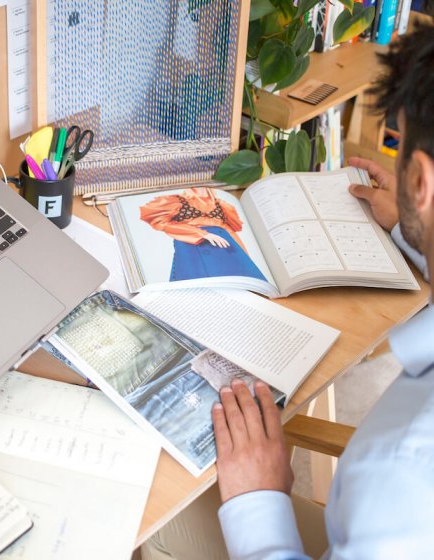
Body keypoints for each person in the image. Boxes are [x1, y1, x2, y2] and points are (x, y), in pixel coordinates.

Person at [141, 21, 434, 559]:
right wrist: (413, 227)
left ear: (421, 179)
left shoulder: (407, 476)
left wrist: (259, 502)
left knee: (160, 518)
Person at [140, 187, 267, 282]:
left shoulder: (221, 204)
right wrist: (201, 234)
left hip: (226, 249)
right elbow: (162, 223)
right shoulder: (176, 201)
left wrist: (244, 257)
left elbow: (230, 231)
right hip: (194, 247)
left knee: (242, 284)